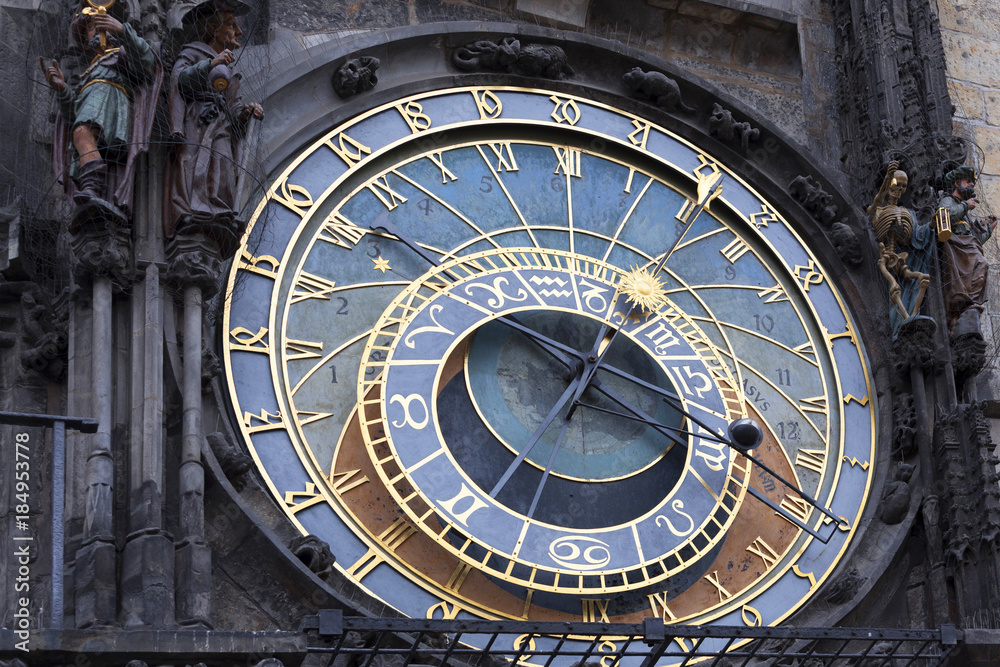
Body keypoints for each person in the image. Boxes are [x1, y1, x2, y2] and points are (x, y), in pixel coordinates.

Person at [165, 1, 263, 256]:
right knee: (197, 164)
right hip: (197, 120)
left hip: (221, 123)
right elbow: (180, 81)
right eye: (231, 25)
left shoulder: (227, 66)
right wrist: (209, 64)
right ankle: (196, 210)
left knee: (222, 165)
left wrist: (246, 112)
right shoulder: (193, 52)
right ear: (214, 29)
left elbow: (234, 107)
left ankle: (218, 210)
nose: (239, 31)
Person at [40, 10, 160, 216]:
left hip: (111, 101)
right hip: (94, 105)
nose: (96, 30)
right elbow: (72, 116)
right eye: (90, 28)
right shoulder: (88, 71)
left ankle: (92, 188)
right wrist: (61, 88)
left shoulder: (122, 54)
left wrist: (123, 30)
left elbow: (147, 63)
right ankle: (91, 189)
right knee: (79, 133)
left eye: (100, 24)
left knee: (82, 133)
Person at [938, 166, 997, 329]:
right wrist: (965, 205)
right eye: (967, 181)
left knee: (983, 265)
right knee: (979, 265)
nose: (971, 185)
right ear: (957, 183)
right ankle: (960, 309)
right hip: (956, 251)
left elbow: (974, 239)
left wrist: (989, 229)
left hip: (968, 250)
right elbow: (944, 216)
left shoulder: (965, 213)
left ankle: (969, 304)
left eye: (972, 182)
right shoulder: (948, 201)